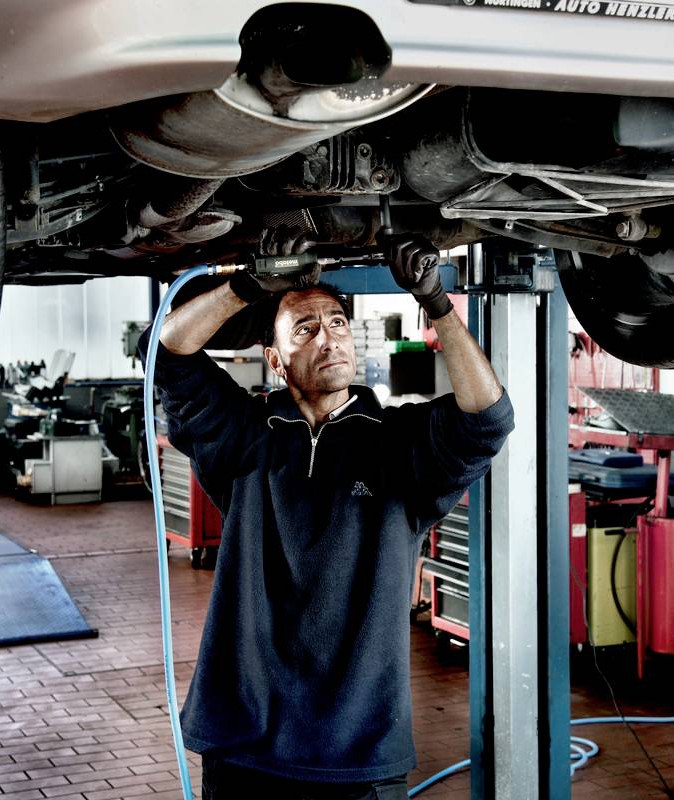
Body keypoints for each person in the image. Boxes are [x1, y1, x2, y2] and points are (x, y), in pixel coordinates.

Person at [143, 235, 513, 799]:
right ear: (274, 359)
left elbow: (488, 418)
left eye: (337, 322)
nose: (329, 337)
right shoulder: (243, 438)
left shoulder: (397, 445)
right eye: (305, 328)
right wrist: (247, 286)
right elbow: (168, 354)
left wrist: (436, 301)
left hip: (358, 752)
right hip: (245, 744)